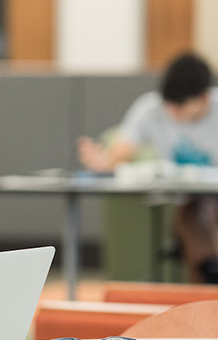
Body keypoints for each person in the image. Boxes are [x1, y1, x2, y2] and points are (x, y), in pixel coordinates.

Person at [78, 52, 218, 283]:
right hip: (186, 204)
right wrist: (102, 162)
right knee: (195, 212)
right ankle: (208, 273)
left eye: (182, 108)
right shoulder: (150, 109)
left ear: (203, 97)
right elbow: (122, 152)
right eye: (170, 107)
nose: (173, 114)